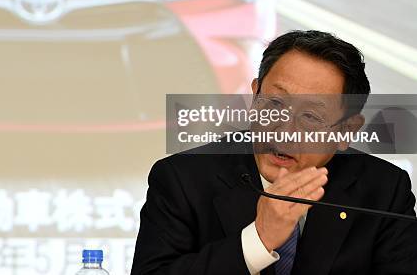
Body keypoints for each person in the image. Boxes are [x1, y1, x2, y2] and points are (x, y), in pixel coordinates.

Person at [131, 30, 417, 274]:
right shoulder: (182, 179)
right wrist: (258, 239)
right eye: (275, 103)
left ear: (346, 131)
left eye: (311, 117)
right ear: (255, 96)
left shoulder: (384, 191)